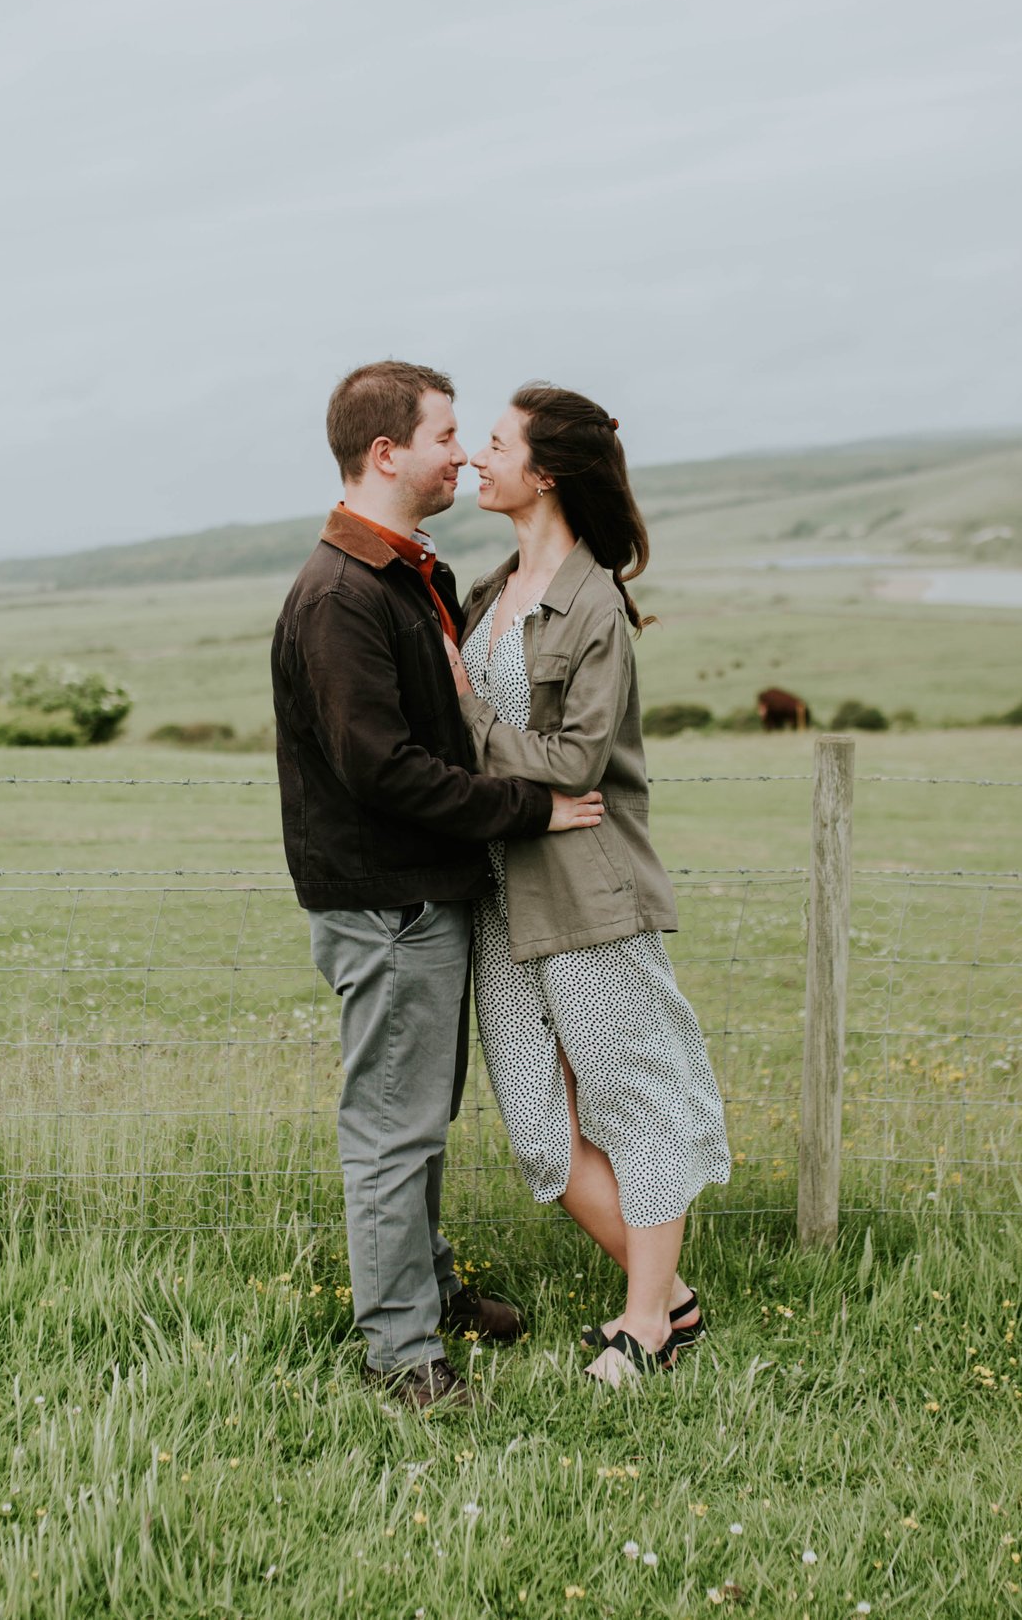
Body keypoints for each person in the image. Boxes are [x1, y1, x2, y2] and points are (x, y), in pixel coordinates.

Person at [271, 360, 607, 1411]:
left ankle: (428, 1287)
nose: (462, 451)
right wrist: (527, 808)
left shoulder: (396, 572)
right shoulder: (339, 594)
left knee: (416, 1114)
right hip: (387, 902)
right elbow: (383, 766)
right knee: (390, 1126)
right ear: (386, 454)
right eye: (445, 433)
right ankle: (403, 1354)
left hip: (415, 894)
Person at [444, 382, 732, 1387]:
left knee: (631, 1097)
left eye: (493, 443)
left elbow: (574, 762)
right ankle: (678, 1300)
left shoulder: (594, 601)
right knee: (538, 1128)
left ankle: (646, 1323)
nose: (477, 459)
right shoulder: (487, 590)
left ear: (545, 469)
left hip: (585, 891)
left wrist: (464, 709)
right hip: (497, 893)